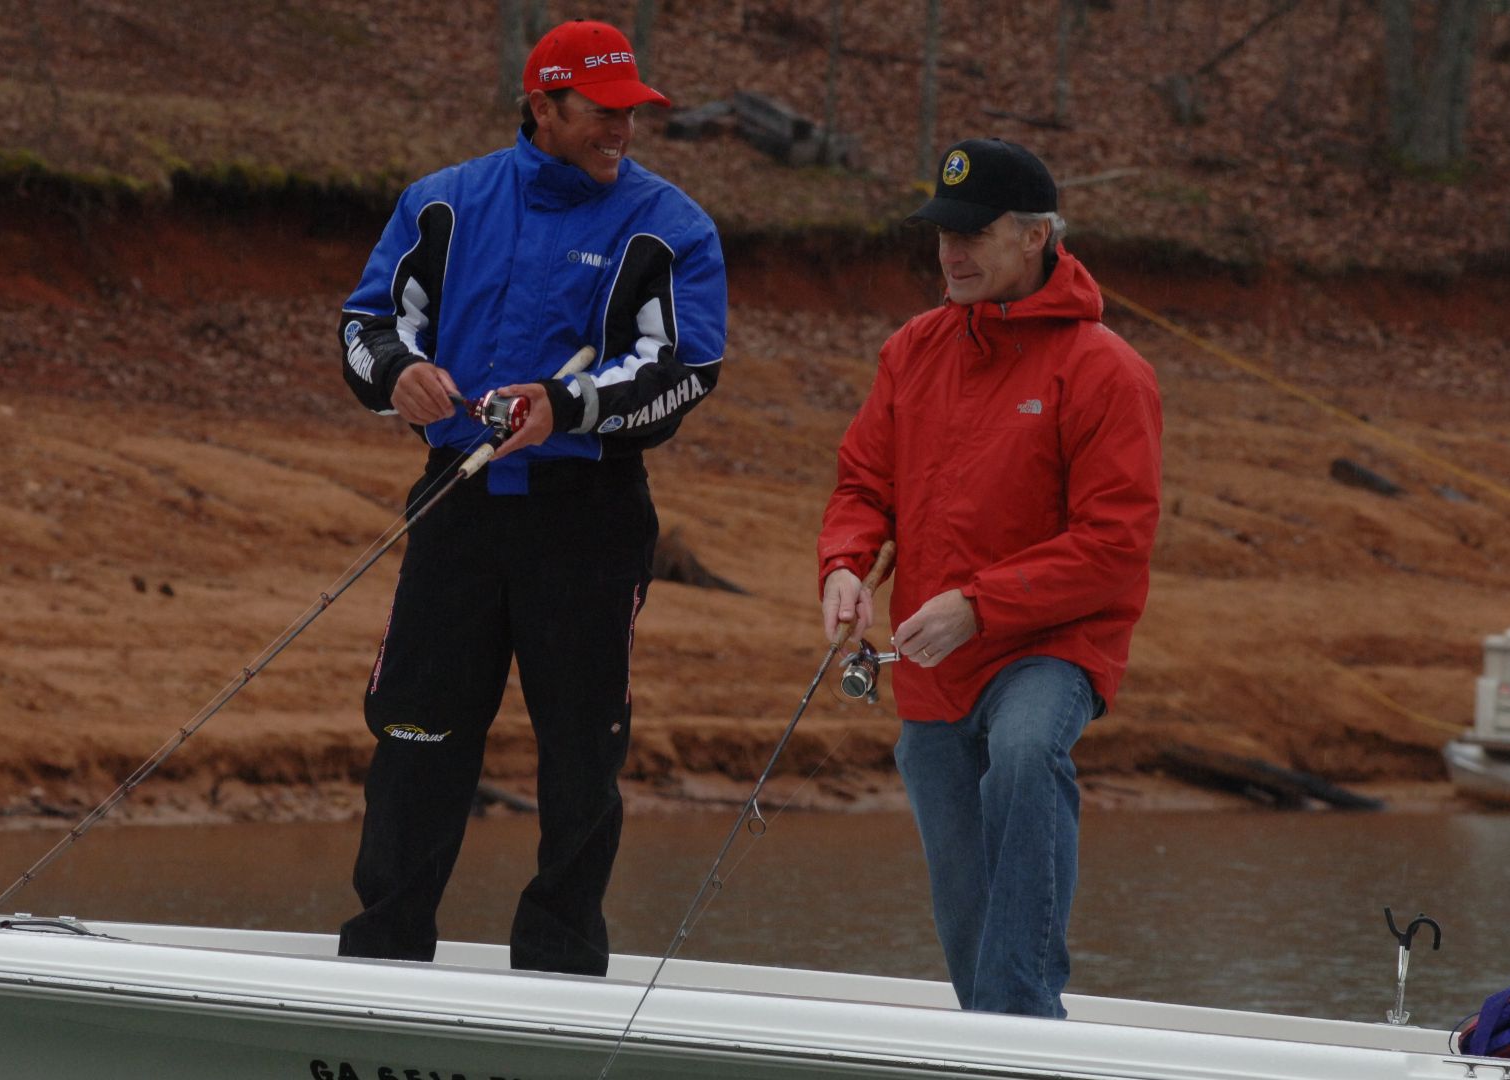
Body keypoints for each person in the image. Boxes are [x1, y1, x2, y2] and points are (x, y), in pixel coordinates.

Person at [334, 19, 726, 976]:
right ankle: (383, 955)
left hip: (587, 516)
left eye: (633, 112)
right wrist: (401, 374)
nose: (621, 129)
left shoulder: (671, 224)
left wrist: (569, 404)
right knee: (418, 732)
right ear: (542, 106)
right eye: (602, 111)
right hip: (458, 504)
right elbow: (365, 322)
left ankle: (558, 964)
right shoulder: (441, 204)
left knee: (582, 753)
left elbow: (685, 367)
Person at [817, 138, 1162, 1018]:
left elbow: (1115, 541)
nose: (951, 252)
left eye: (973, 233)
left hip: (1053, 643)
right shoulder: (912, 351)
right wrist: (846, 566)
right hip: (936, 662)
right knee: (964, 906)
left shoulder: (1106, 369)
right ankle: (999, 1033)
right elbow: (864, 483)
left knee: (1021, 754)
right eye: (941, 233)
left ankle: (1024, 1034)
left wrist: (980, 604)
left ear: (1037, 236)